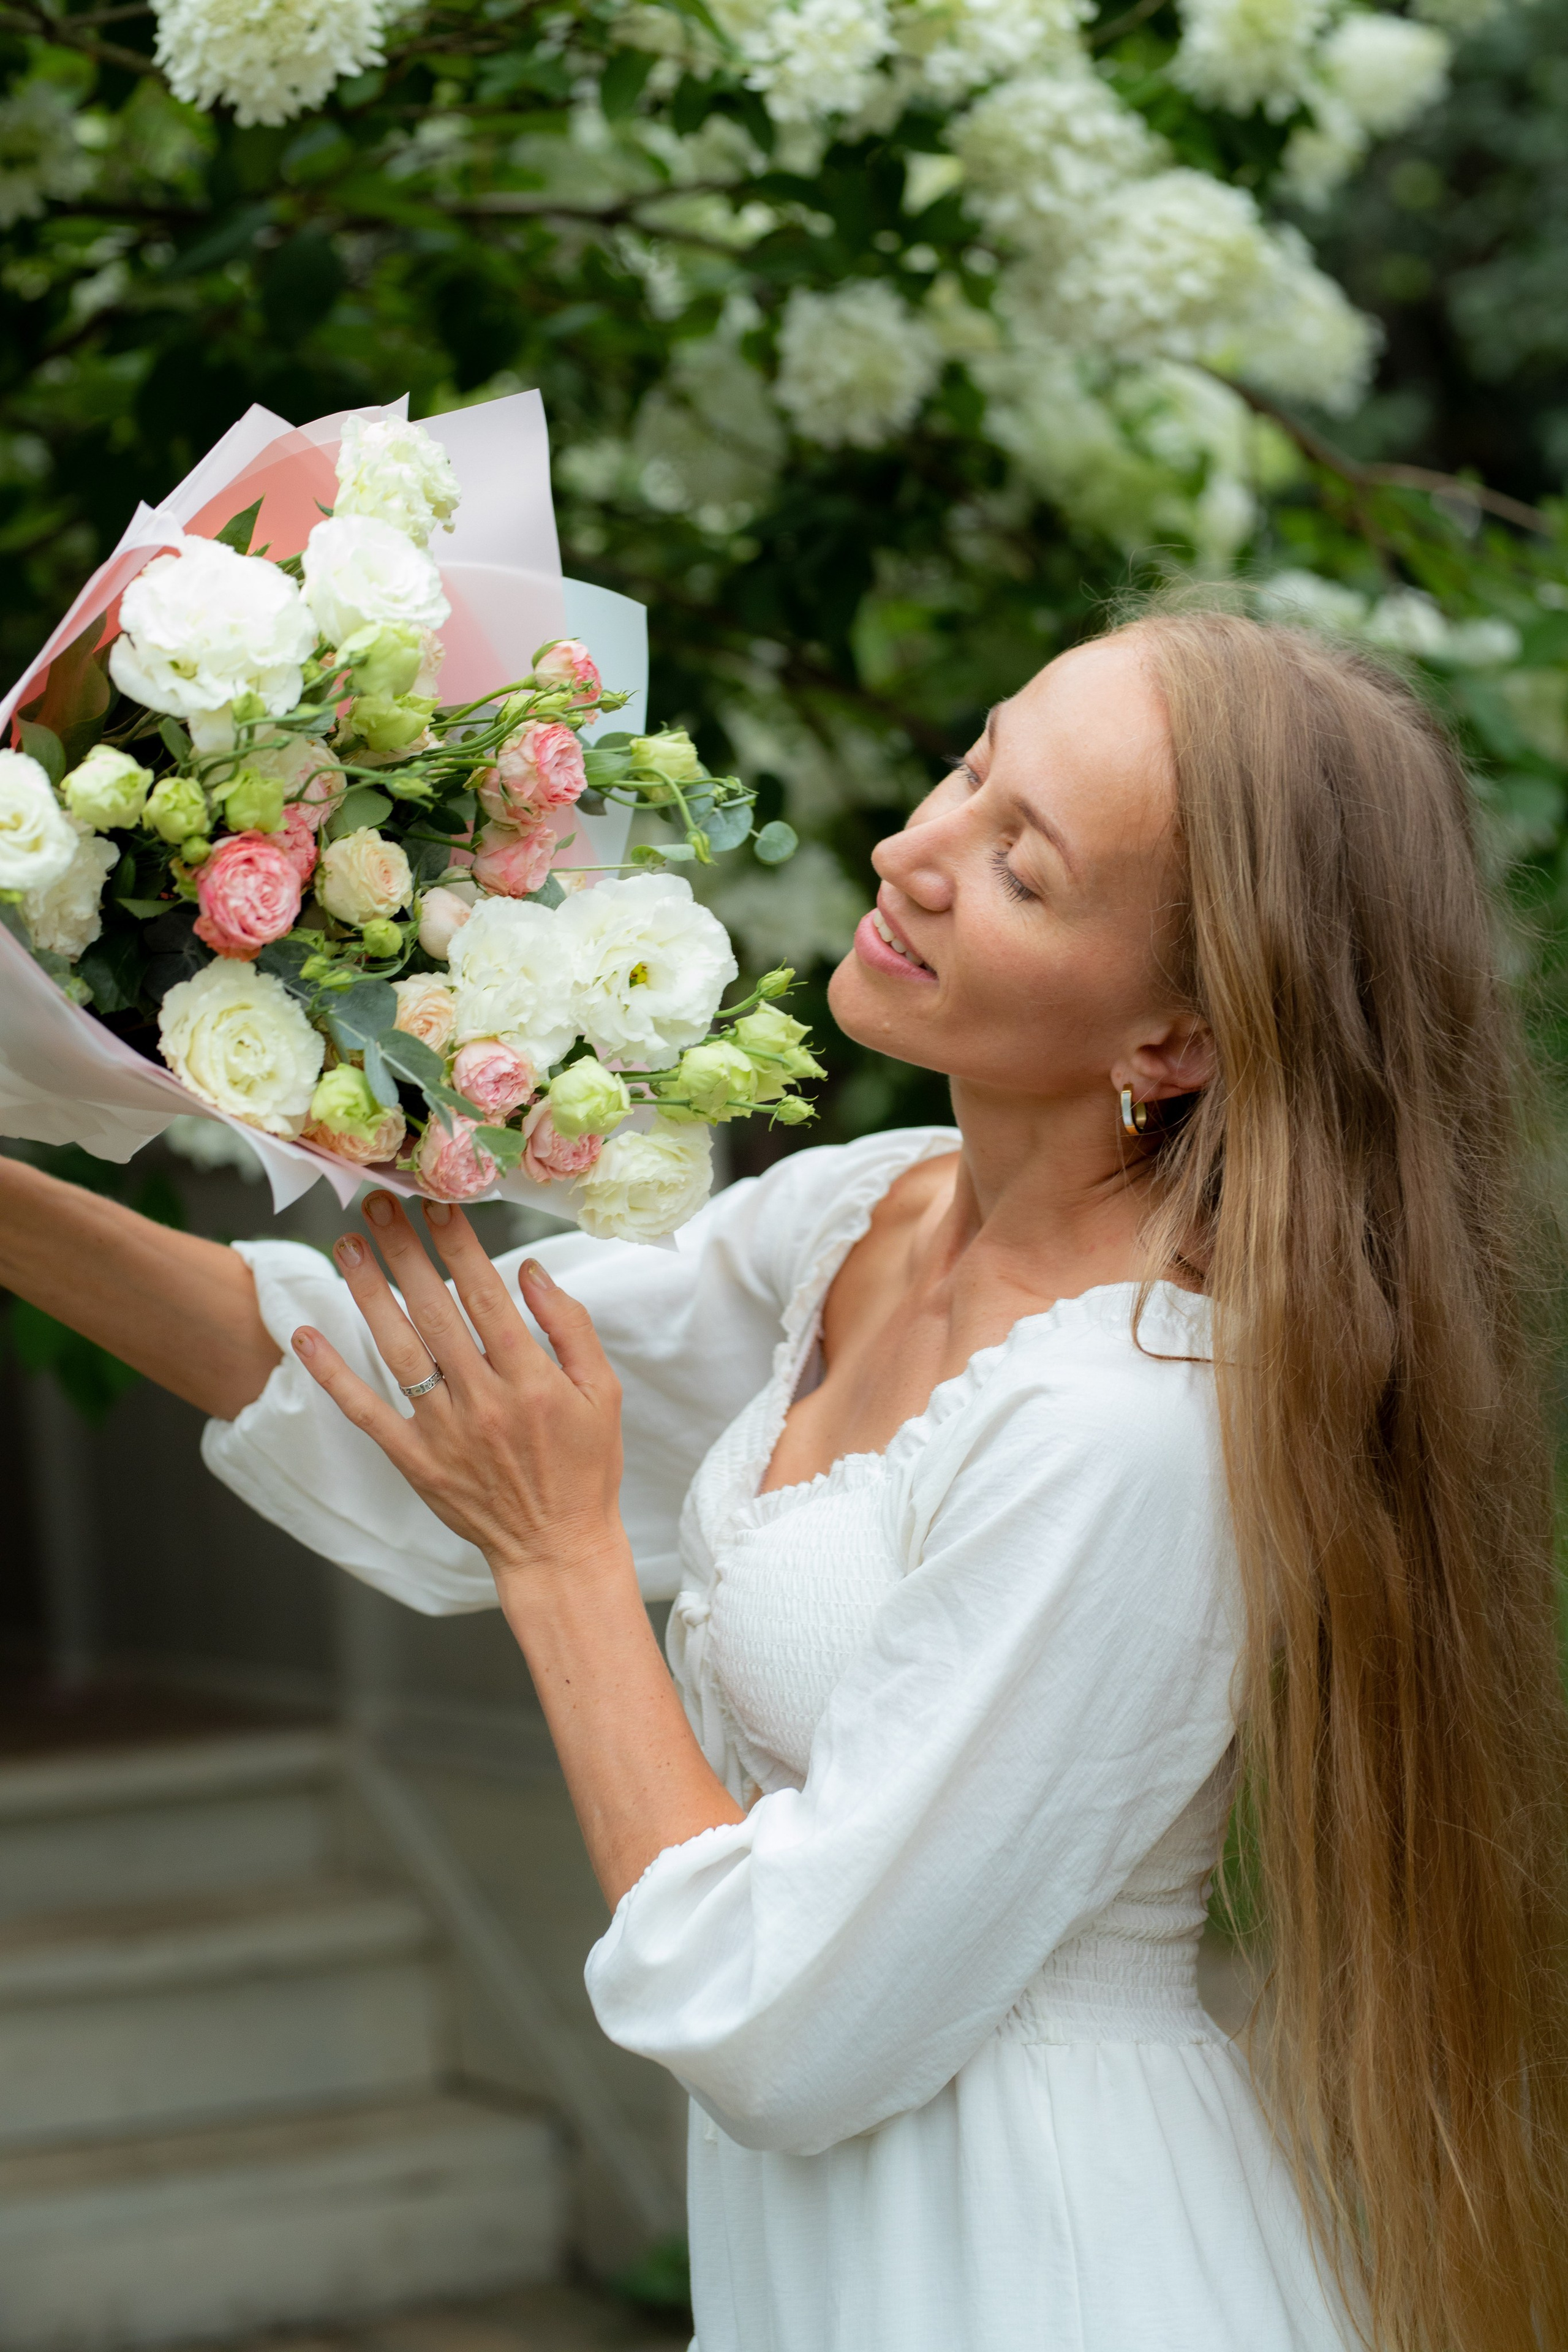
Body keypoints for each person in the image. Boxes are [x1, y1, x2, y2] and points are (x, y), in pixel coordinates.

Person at [2, 608, 1565, 2352]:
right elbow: (409, 1383)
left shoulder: (1130, 1432)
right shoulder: (867, 1217)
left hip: (1038, 2270)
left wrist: (564, 1555)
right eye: (973, 767)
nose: (913, 850)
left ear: (1178, 1040)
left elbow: (779, 2026)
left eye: (1022, 867)